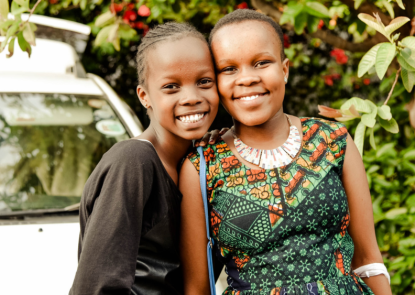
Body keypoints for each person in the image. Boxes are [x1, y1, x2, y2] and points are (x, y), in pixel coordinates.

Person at [180, 9, 392, 295]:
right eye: (229, 69)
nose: (247, 78)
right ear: (215, 81)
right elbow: (198, 287)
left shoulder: (333, 141)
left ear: (285, 69)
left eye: (261, 63)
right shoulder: (202, 165)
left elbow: (368, 259)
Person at [69, 22, 219, 295]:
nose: (191, 97)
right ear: (144, 96)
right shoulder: (133, 161)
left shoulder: (202, 162)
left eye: (204, 81)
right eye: (171, 86)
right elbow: (95, 288)